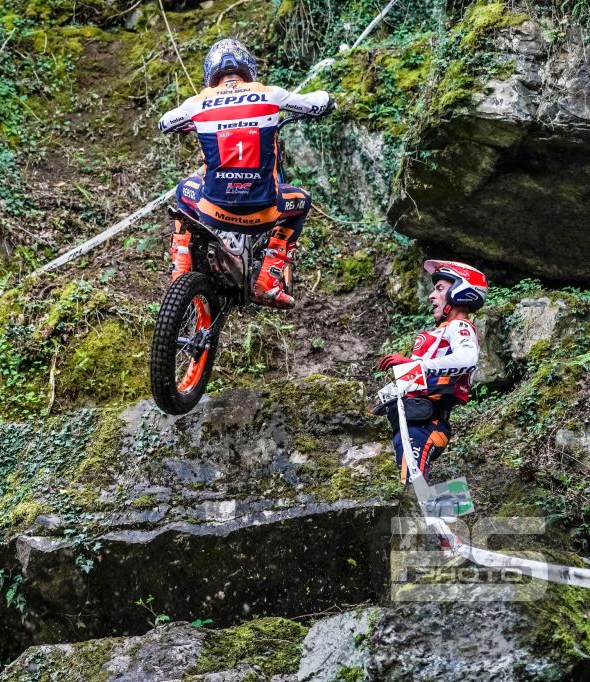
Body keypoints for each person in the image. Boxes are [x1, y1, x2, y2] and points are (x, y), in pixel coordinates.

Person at [158, 38, 334, 309]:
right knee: (302, 201)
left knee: (183, 190)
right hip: (263, 214)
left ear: (211, 73)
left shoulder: (197, 103)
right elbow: (318, 102)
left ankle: (179, 268)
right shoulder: (271, 94)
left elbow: (165, 123)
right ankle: (268, 281)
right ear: (248, 68)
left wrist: (191, 124)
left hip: (212, 209)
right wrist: (327, 102)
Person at [376, 260, 488, 484]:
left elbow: (467, 359)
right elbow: (412, 385)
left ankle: (458, 502)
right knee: (408, 488)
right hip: (408, 423)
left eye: (440, 289)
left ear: (460, 291)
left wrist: (414, 364)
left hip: (426, 425)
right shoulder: (439, 334)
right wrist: (378, 407)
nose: (431, 295)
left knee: (412, 487)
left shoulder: (460, 326)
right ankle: (458, 500)